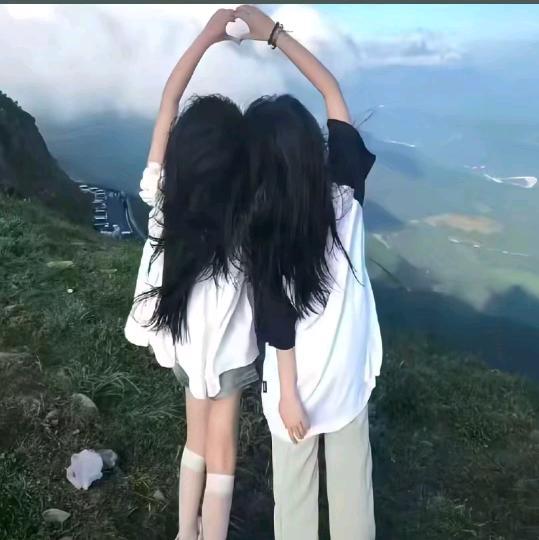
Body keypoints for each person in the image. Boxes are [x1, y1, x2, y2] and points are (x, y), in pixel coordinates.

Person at [235, 5, 382, 540]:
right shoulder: (345, 195)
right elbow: (332, 93)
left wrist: (290, 395)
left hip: (296, 386)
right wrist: (272, 34)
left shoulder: (264, 228)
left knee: (295, 497)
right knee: (352, 490)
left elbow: (278, 321)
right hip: (347, 373)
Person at [124, 10, 259, 540]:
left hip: (183, 345)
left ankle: (185, 532)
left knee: (195, 437)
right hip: (229, 353)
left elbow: (168, 104)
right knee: (222, 446)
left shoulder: (165, 201)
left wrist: (206, 37)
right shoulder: (245, 219)